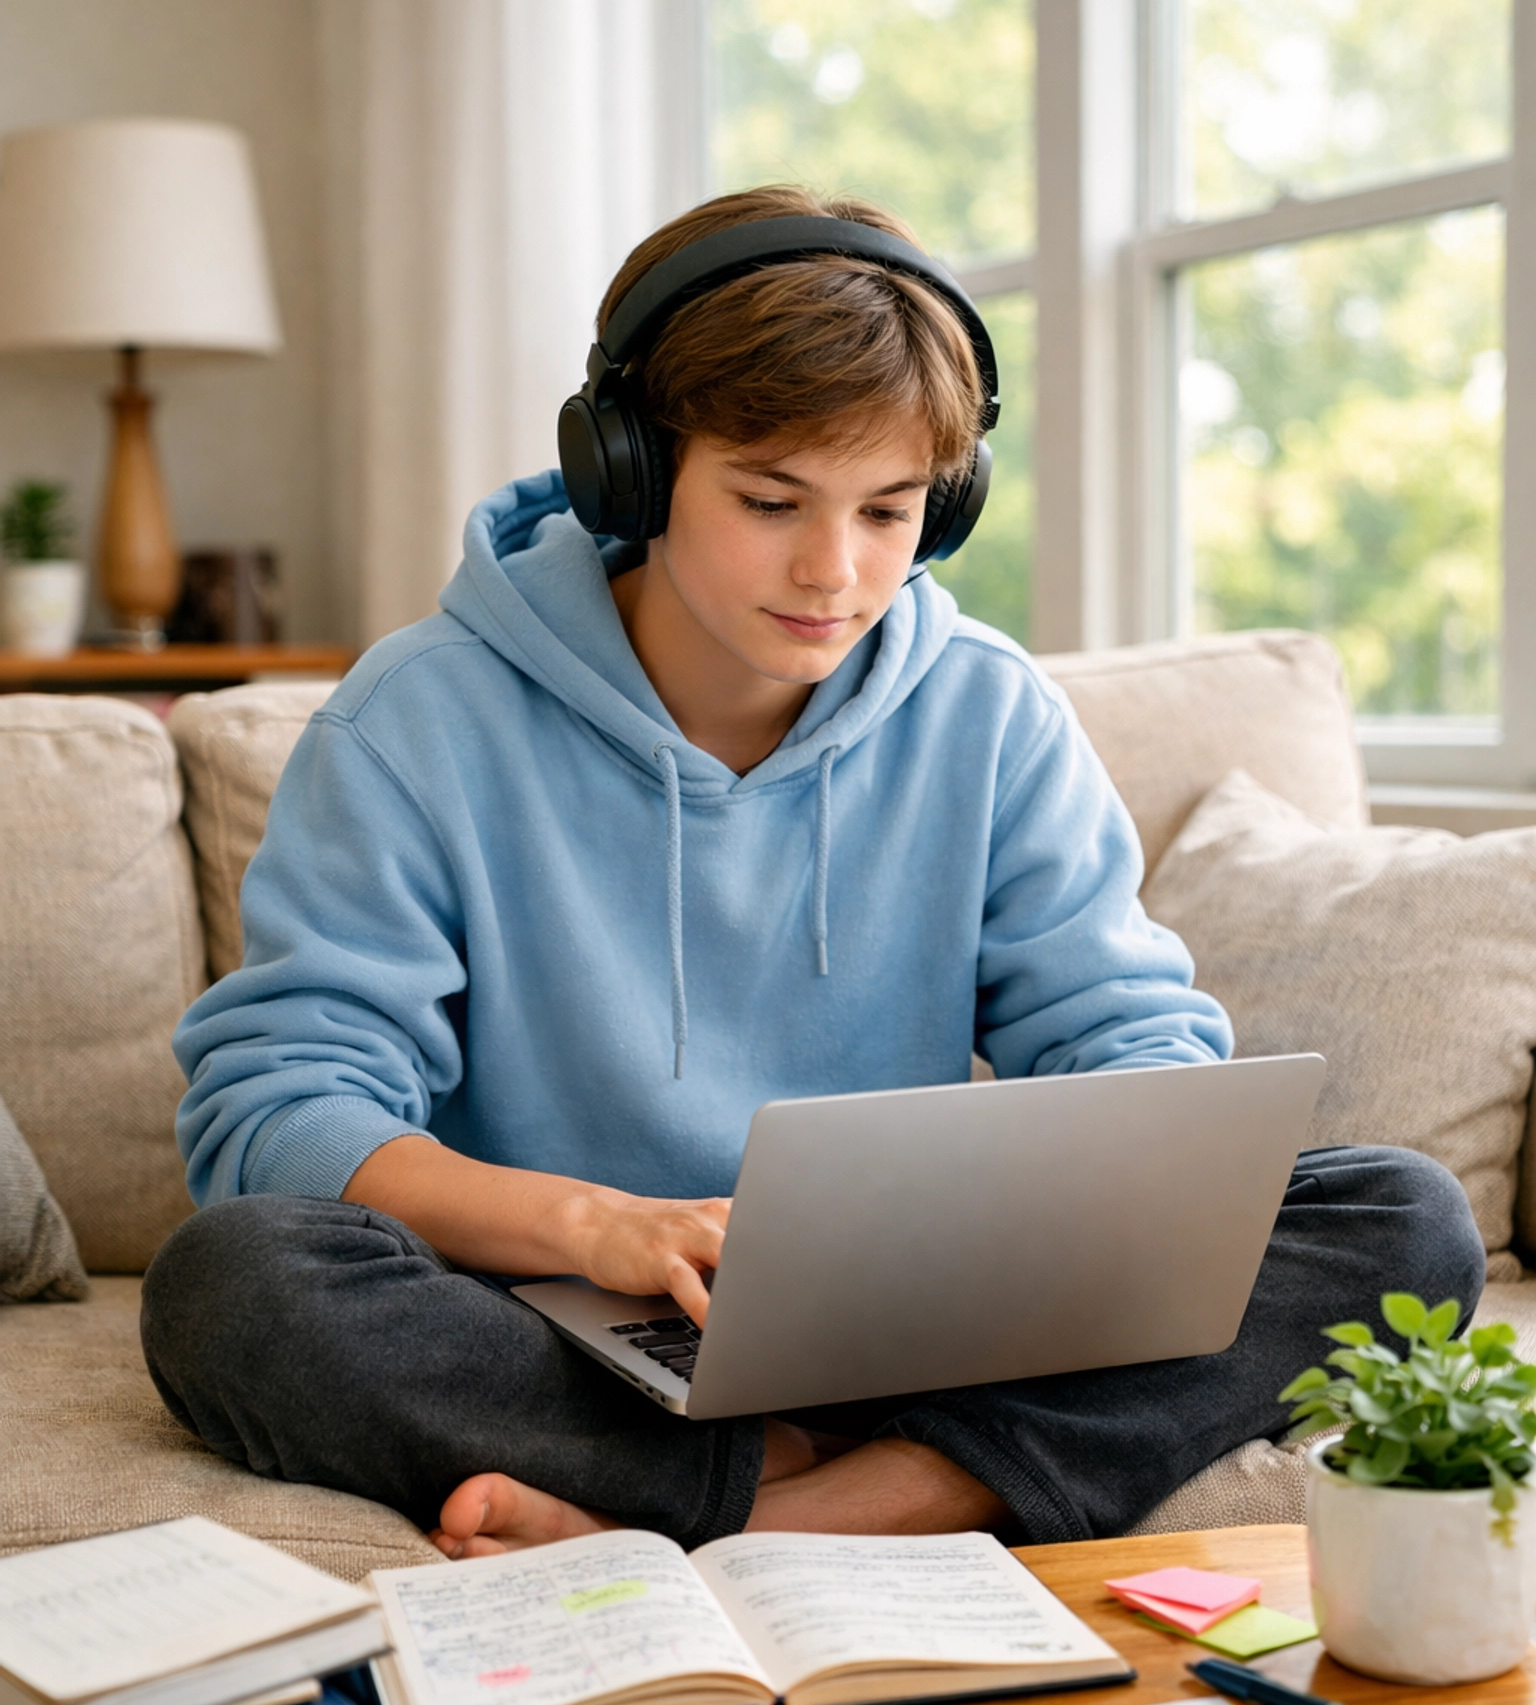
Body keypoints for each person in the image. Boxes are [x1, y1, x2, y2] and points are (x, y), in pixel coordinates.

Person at [141, 184, 1483, 1560]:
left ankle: (809, 1507)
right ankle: (852, 1480)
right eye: (770, 499)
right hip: (561, 1318)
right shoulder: (418, 720)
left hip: (923, 1325)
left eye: (891, 512)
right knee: (234, 1290)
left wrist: (1139, 1168)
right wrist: (593, 1225)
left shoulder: (988, 713)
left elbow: (1119, 1033)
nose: (835, 572)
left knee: (1402, 1220)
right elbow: (279, 1117)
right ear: (636, 466)